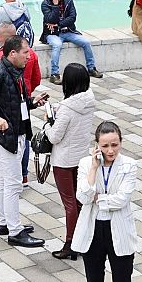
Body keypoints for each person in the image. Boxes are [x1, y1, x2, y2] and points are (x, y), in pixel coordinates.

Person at [70, 121, 142, 282]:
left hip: (119, 231)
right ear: (97, 146)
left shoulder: (129, 166)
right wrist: (93, 168)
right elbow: (82, 196)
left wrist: (99, 198)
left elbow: (122, 200)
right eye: (105, 146)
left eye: (114, 145)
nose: (110, 150)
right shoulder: (85, 164)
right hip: (93, 231)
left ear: (121, 143)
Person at [0, 35, 50, 248]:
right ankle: (15, 231)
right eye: (25, 53)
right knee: (14, 183)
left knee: (6, 179)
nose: (29, 56)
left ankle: (4, 222)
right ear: (12, 53)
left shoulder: (14, 71)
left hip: (14, 130)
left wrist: (32, 102)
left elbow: (15, 102)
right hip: (4, 135)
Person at [45, 66, 97, 260]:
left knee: (69, 204)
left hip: (64, 160)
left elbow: (54, 137)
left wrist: (50, 123)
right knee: (79, 201)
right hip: (81, 158)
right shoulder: (89, 101)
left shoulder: (67, 108)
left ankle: (70, 244)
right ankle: (85, 240)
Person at [38, 0, 99, 81]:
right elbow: (50, 19)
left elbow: (72, 17)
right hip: (52, 34)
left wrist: (58, 25)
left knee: (86, 42)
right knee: (57, 45)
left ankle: (91, 68)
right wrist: (55, 5)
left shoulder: (69, 0)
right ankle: (54, 74)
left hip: (68, 31)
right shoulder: (45, 4)